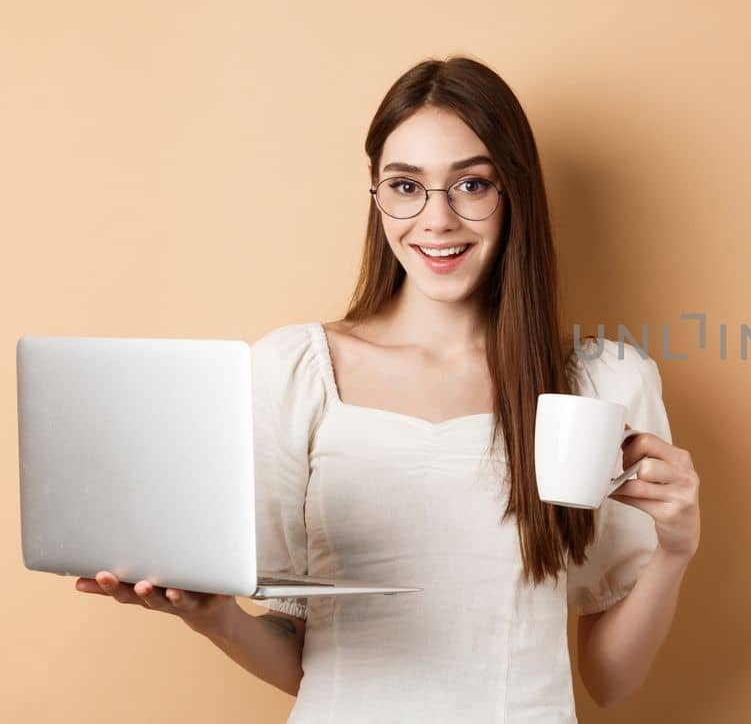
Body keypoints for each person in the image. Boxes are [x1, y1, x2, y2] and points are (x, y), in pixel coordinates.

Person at [72, 56, 702, 722]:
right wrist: (218, 618)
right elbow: (303, 660)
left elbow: (609, 679)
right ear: (375, 195)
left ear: (513, 193)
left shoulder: (601, 382)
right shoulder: (295, 371)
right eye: (406, 187)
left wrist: (675, 550)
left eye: (472, 184)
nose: (436, 221)